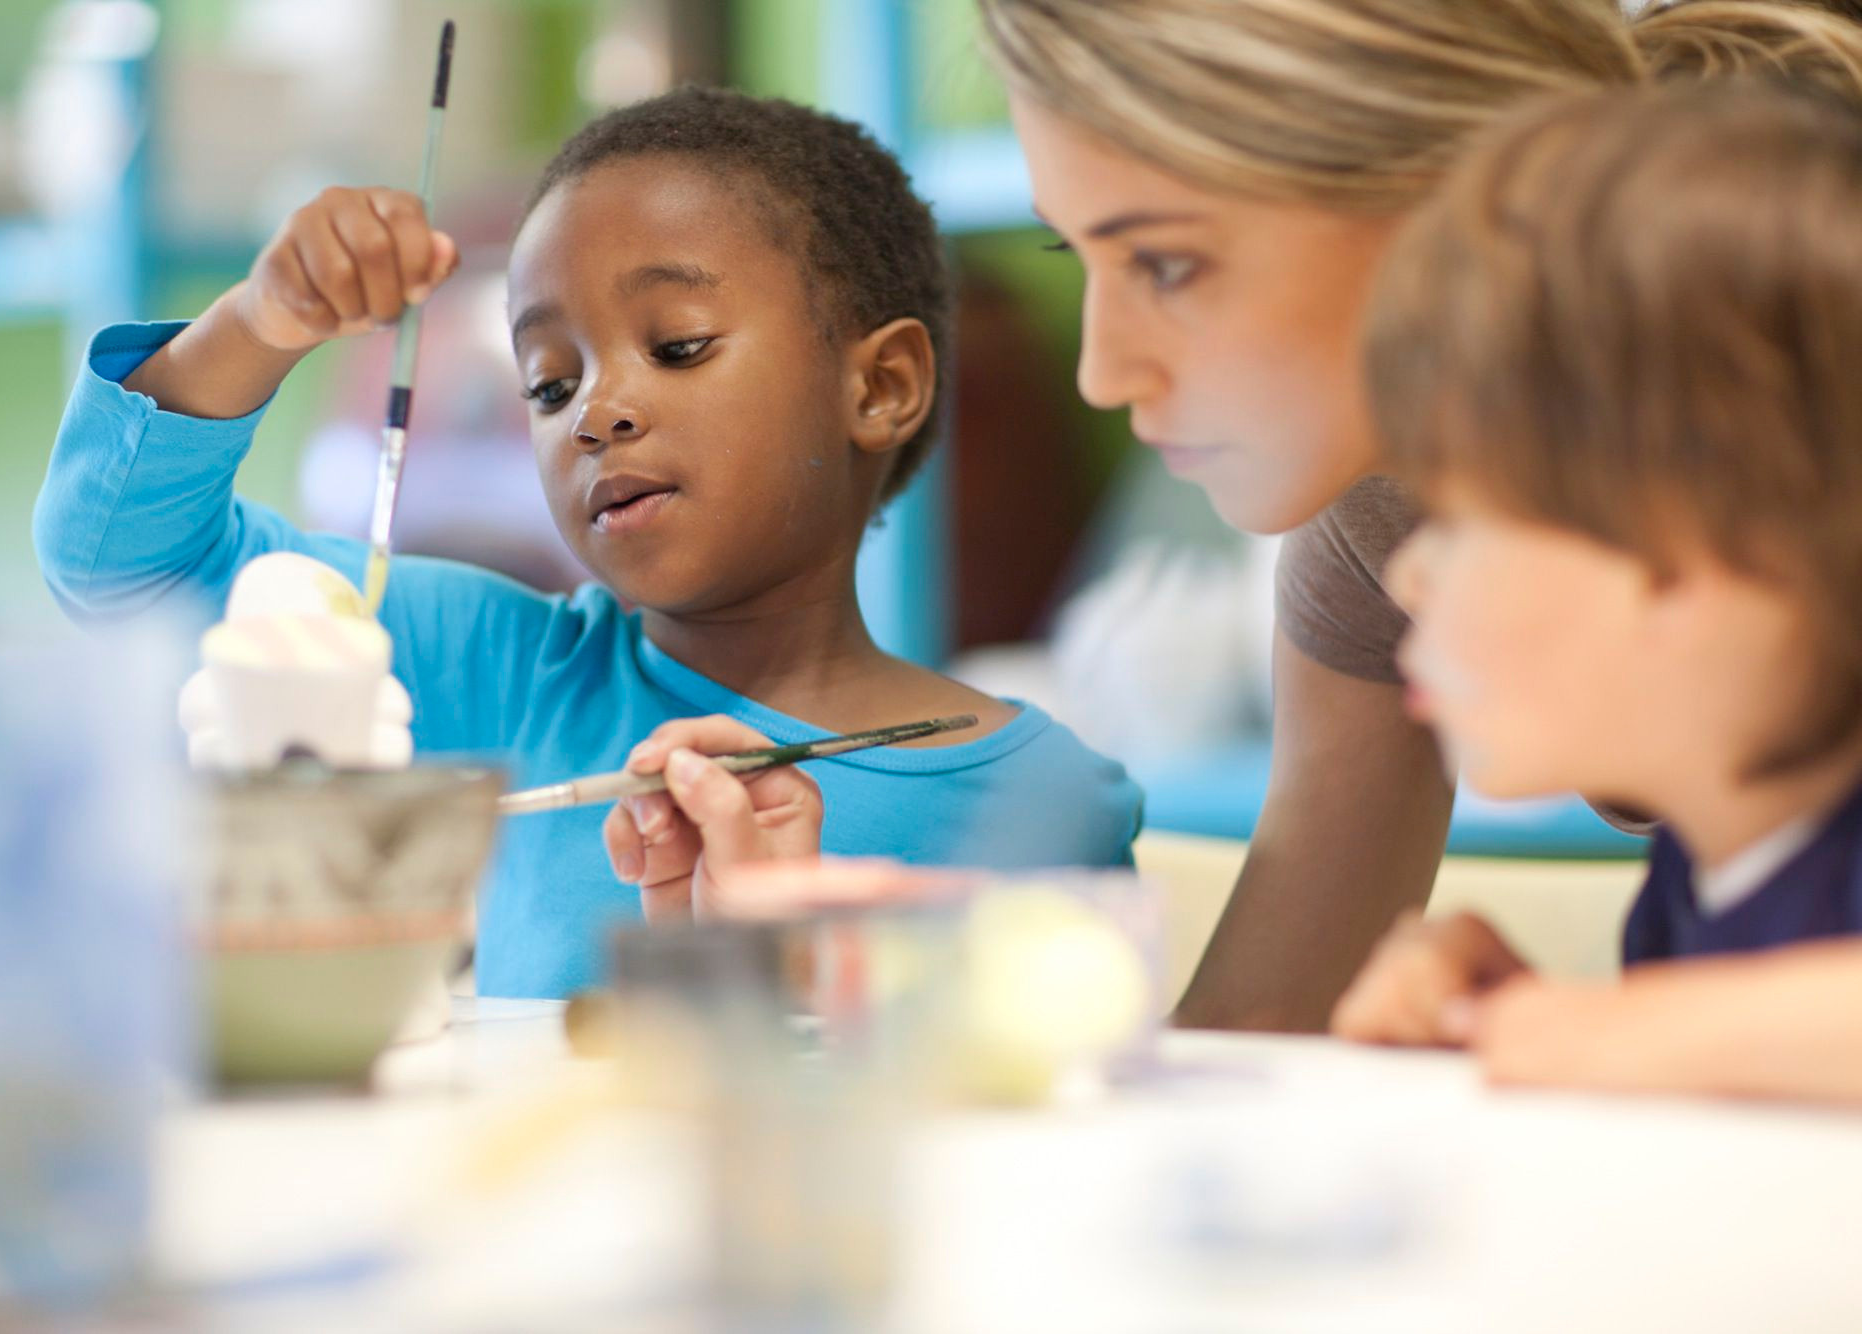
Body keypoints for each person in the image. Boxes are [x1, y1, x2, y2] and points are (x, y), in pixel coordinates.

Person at [621, 0, 1862, 1031]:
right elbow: (1265, 1034)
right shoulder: (1370, 522)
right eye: (1074, 258)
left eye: (1164, 262)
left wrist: (1575, 1034)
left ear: (1446, 193)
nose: (1100, 372)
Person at [31, 86, 1142, 999]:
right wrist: (259, 322)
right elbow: (127, 568)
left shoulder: (1043, 798)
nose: (594, 414)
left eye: (678, 345)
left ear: (879, 386)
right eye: (549, 384)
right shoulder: (500, 669)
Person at [1332, 82, 1862, 1107]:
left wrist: (1634, 1030)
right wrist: (1520, 1013)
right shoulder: (1701, 870)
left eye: (1459, 519)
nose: (1406, 575)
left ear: (1686, 563)